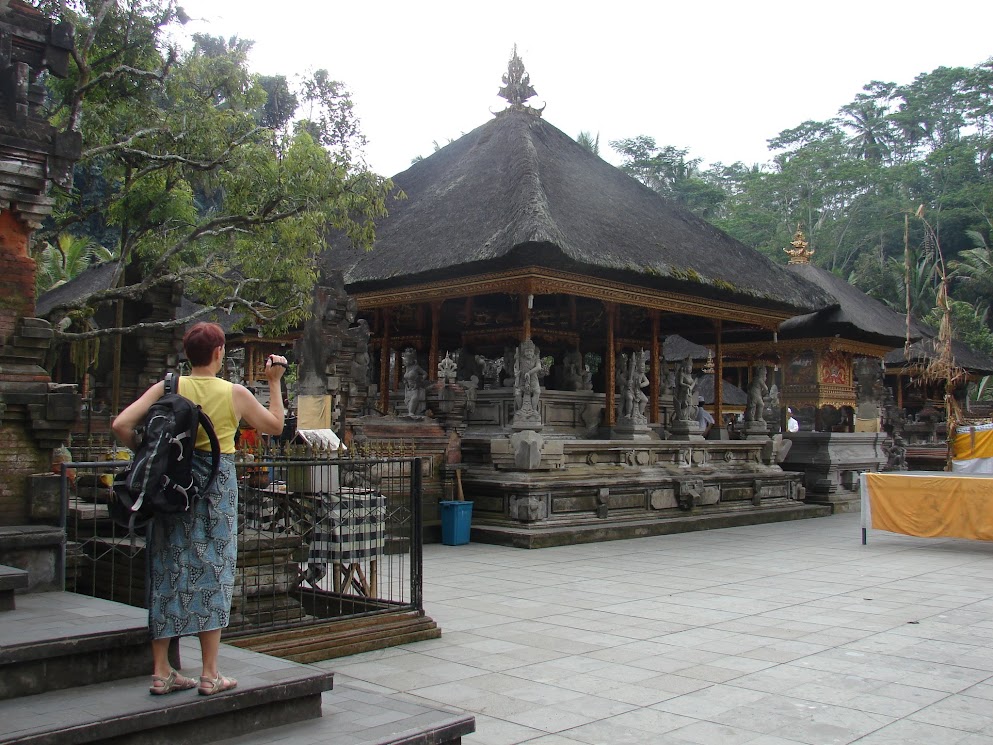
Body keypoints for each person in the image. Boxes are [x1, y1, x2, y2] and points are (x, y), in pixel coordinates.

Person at [112, 322, 286, 697]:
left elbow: (121, 424)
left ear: (188, 354)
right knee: (214, 568)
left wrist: (146, 454)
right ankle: (209, 672)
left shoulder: (169, 387)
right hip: (215, 486)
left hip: (170, 487)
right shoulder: (233, 393)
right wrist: (274, 381)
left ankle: (162, 671)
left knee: (166, 566)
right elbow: (274, 425)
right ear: (220, 352)